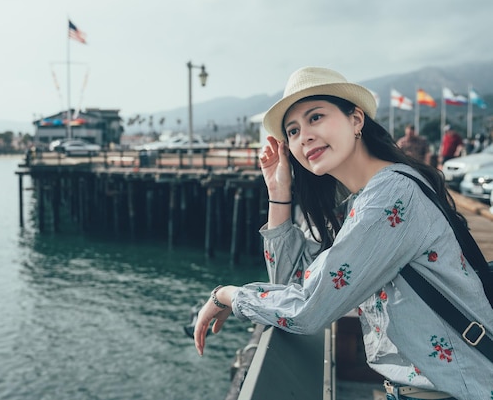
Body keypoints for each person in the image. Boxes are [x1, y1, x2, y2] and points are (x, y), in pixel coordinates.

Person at [193, 67, 493, 400]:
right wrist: (278, 190)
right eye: (292, 131)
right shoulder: (360, 202)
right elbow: (290, 280)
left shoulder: (390, 197)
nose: (303, 136)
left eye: (316, 117)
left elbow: (307, 309)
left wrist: (227, 295)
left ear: (356, 120)